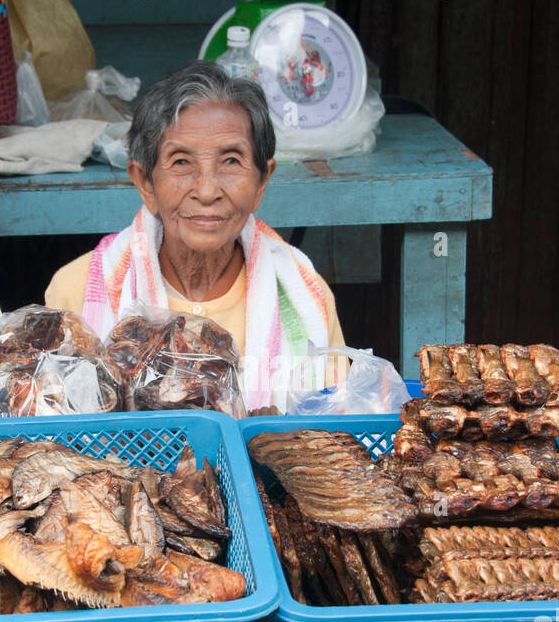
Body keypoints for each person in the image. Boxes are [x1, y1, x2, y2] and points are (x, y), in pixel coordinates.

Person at [45, 60, 347, 411]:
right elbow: (53, 429)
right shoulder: (77, 289)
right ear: (145, 183)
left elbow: (333, 425)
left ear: (262, 182)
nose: (206, 191)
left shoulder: (303, 294)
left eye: (231, 161)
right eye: (181, 162)